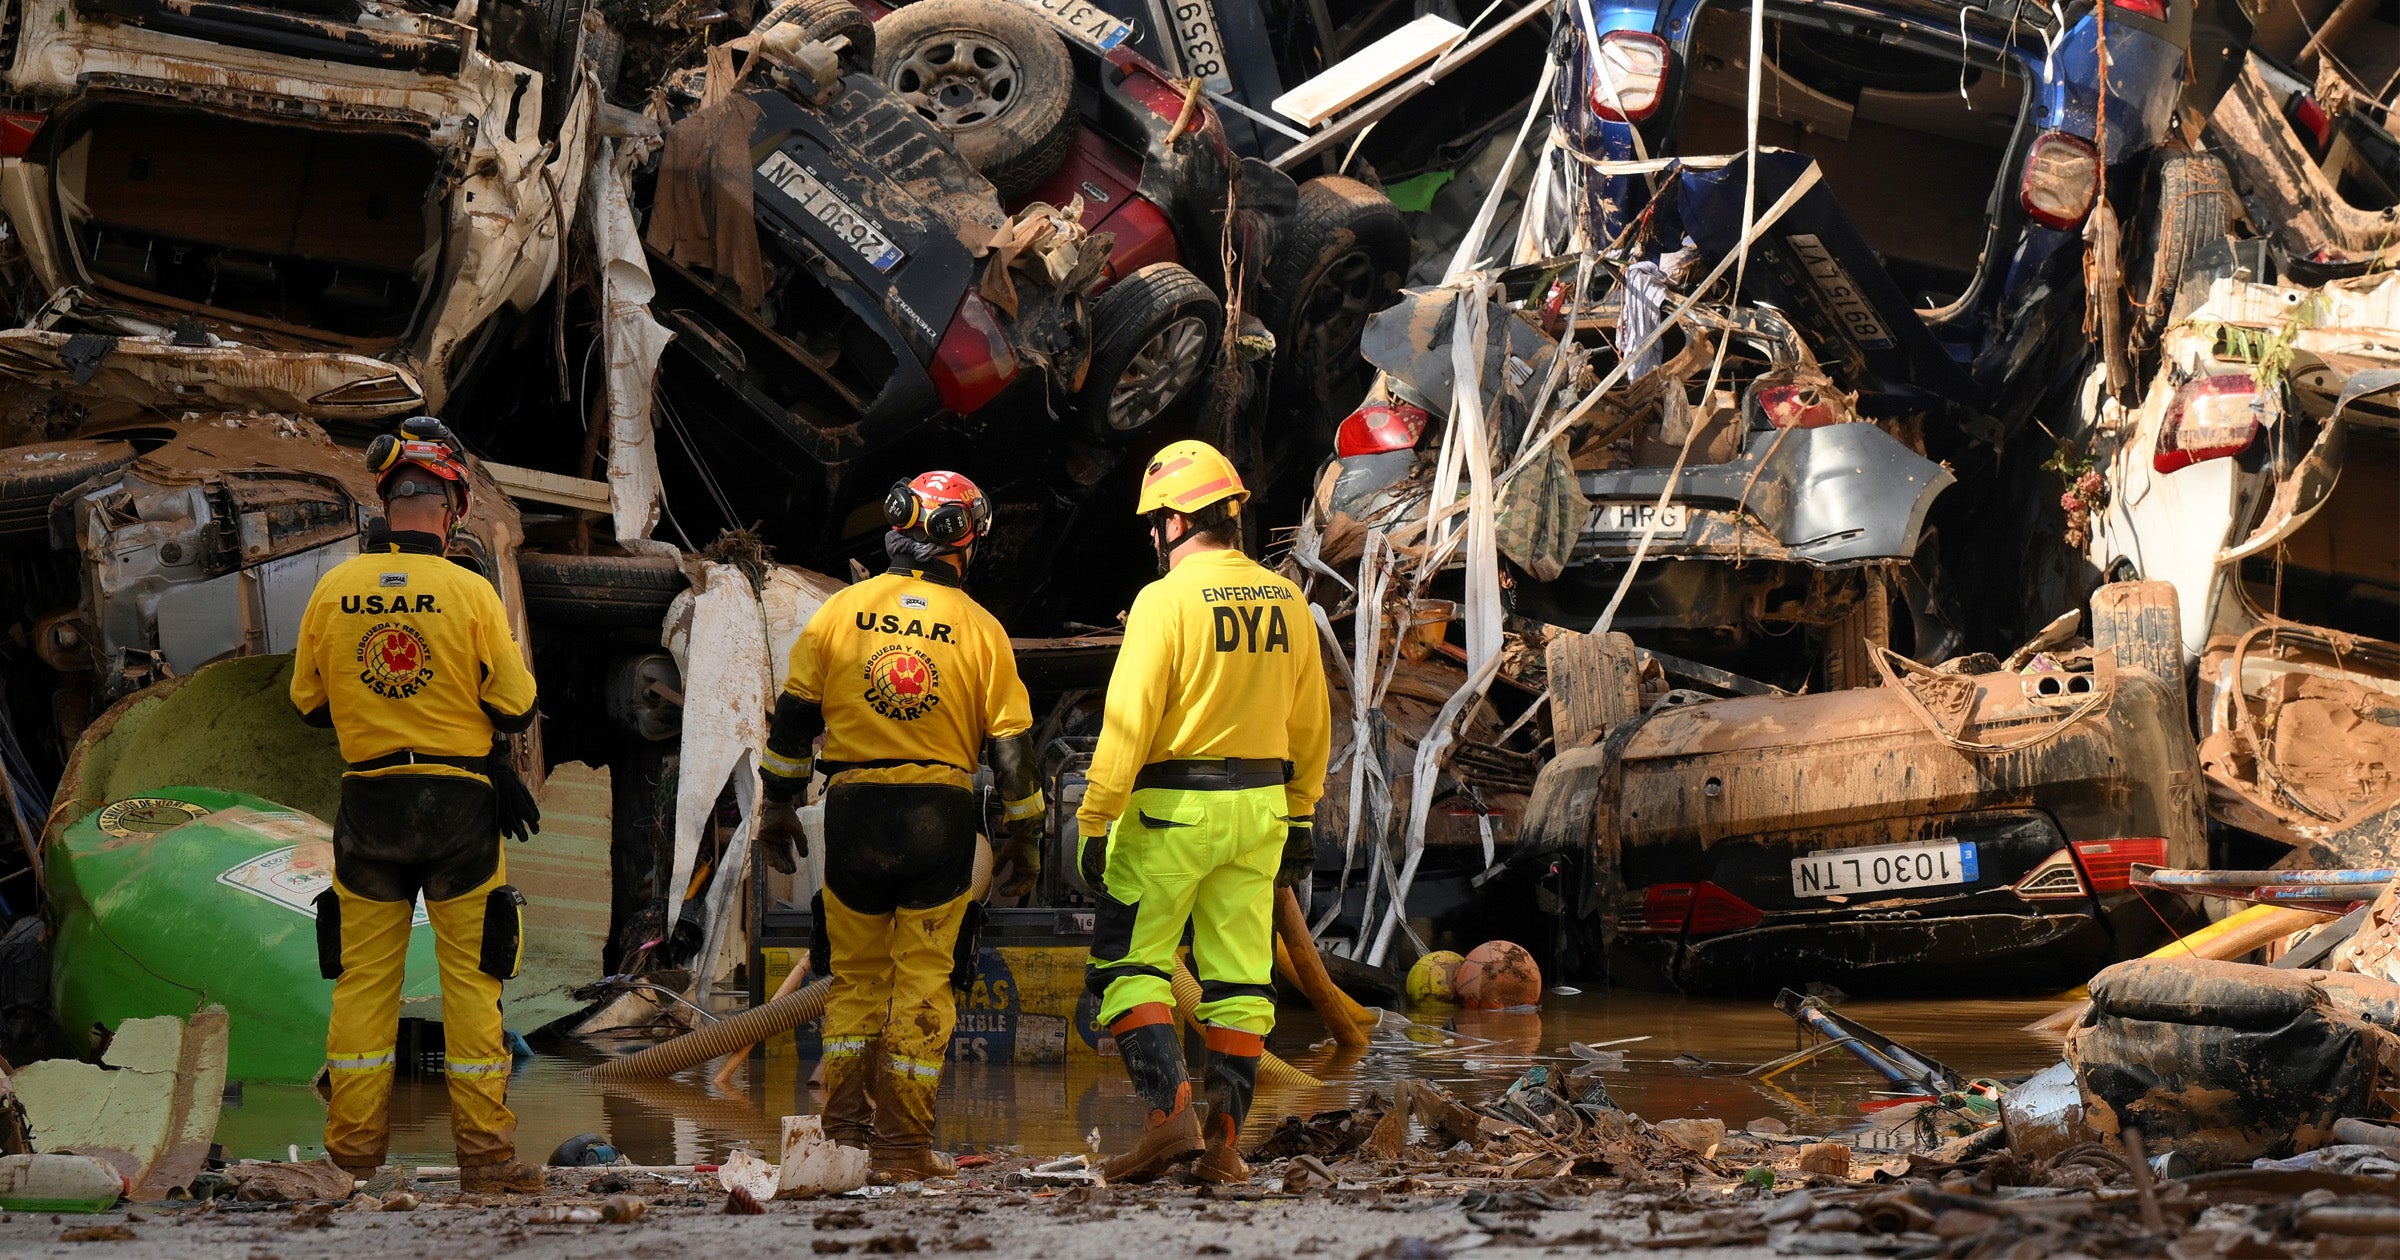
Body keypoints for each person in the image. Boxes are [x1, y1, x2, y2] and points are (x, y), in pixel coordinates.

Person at [752, 470, 1043, 1182]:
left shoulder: (839, 613)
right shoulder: (980, 628)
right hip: (939, 818)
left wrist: (778, 806)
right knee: (923, 983)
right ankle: (905, 1151)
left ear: (897, 530)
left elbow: (793, 721)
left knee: (852, 980)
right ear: (963, 542)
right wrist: (1025, 838)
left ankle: (845, 1140)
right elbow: (1012, 749)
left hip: (854, 813)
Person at [291, 416, 543, 1193]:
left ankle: (350, 1163)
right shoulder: (469, 590)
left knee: (365, 985)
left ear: (386, 501)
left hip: (368, 807)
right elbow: (517, 701)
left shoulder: (334, 587)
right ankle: (488, 1161)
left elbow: (307, 702)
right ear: (453, 506)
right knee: (471, 982)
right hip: (459, 806)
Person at [1079, 440, 1330, 1184]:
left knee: (1128, 966)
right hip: (1259, 816)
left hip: (1170, 815)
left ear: (1177, 520)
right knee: (1240, 984)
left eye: (1155, 521)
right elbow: (1312, 722)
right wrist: (1303, 816)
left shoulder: (1164, 601)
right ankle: (1224, 1150)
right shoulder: (1287, 600)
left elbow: (1129, 722)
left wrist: (1095, 818)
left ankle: (1169, 1125)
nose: (1153, 536)